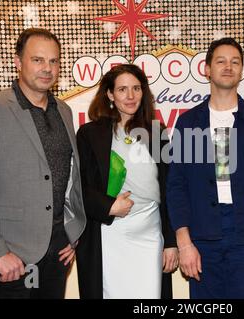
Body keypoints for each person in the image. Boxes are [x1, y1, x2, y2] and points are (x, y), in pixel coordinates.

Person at [0, 28, 86, 299]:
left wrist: (72, 233)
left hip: (57, 253)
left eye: (53, 61)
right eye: (38, 60)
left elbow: (71, 178)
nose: (47, 68)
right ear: (18, 62)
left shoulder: (63, 110)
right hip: (11, 256)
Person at [166, 37, 244, 299]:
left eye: (235, 62)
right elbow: (177, 186)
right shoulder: (188, 123)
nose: (228, 67)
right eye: (220, 61)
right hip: (202, 236)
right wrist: (184, 243)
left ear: (242, 70)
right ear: (207, 69)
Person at [75, 64, 178, 299]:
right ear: (110, 94)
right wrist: (108, 206)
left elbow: (169, 189)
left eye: (136, 88)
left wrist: (171, 242)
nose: (130, 96)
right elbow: (79, 186)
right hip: (110, 233)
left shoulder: (157, 133)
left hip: (150, 233)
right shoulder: (89, 134)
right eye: (122, 89)